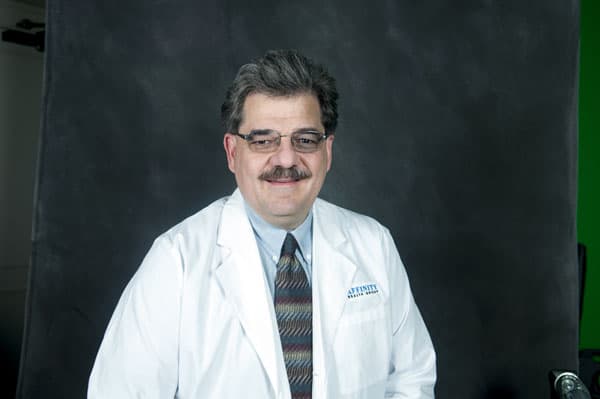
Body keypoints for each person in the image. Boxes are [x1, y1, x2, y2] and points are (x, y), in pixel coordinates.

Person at [88, 49, 436, 398]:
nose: (285, 159)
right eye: (263, 140)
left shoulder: (374, 245)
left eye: (305, 140)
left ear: (327, 152)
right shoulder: (175, 262)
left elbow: (412, 378)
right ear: (232, 152)